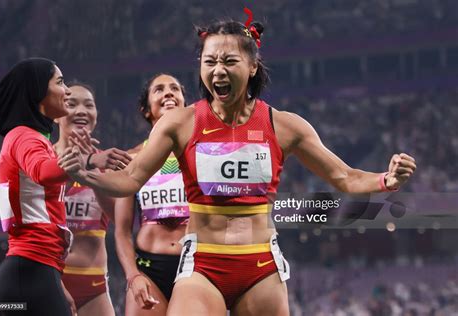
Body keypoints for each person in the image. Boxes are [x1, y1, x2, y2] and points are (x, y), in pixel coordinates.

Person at [59, 18, 417, 316]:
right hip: (202, 266)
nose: (217, 70)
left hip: (260, 267)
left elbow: (345, 177)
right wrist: (81, 173)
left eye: (229, 61)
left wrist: (386, 179)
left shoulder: (285, 125)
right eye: (209, 61)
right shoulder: (179, 124)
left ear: (252, 66)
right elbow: (130, 179)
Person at [0, 58, 76, 316]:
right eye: (60, 82)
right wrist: (88, 161)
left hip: (24, 277)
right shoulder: (24, 136)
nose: (67, 90)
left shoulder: (25, 137)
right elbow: (42, 172)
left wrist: (56, 283)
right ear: (38, 90)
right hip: (29, 275)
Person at [54, 82, 131, 316]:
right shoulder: (41, 158)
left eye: (89, 105)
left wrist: (92, 175)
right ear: (57, 115)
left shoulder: (109, 164)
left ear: (96, 115)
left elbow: (119, 220)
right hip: (49, 279)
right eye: (71, 104)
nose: (81, 110)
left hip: (94, 286)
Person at [114, 74, 188, 315]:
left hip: (195, 268)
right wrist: (133, 276)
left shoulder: (205, 154)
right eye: (159, 90)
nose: (168, 93)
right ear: (147, 110)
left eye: (175, 89)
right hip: (148, 269)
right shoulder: (131, 160)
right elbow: (122, 230)